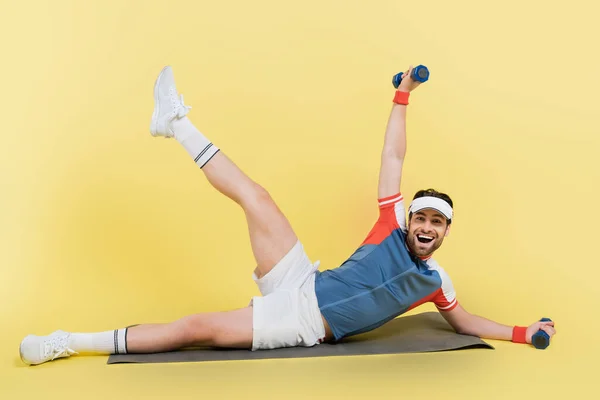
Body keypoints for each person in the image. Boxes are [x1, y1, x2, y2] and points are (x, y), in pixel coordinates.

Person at [19, 65, 556, 365]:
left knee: (196, 327)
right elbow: (394, 157)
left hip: (303, 322)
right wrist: (402, 94)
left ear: (444, 234)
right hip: (305, 280)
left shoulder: (437, 281)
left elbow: (465, 323)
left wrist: (520, 330)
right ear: (411, 217)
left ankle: (68, 341)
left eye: (437, 223)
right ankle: (175, 123)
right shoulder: (391, 225)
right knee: (259, 198)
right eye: (422, 217)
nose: (425, 227)